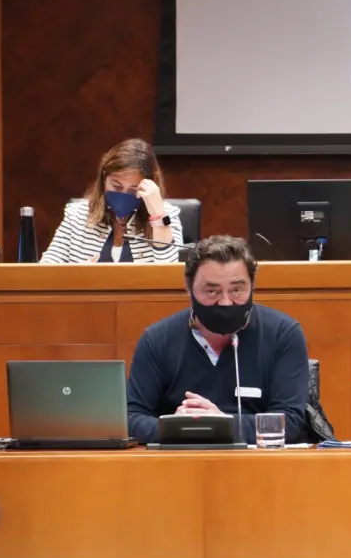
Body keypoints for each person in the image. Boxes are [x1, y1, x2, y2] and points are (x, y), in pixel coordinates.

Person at [126, 235, 310, 444]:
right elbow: (131, 418)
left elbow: (290, 422)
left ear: (253, 285)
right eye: (212, 291)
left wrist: (221, 424)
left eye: (236, 290)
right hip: (180, 460)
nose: (225, 302)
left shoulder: (283, 334)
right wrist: (178, 427)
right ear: (189, 288)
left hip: (258, 462)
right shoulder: (157, 339)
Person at [40, 138, 183, 263]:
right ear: (104, 178)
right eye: (117, 186)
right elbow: (46, 269)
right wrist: (78, 274)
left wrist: (157, 215)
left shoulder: (167, 215)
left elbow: (173, 275)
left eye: (133, 190)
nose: (123, 194)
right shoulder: (77, 214)